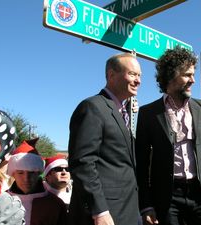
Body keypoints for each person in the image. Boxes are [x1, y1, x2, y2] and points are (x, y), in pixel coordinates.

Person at [135, 46, 201, 225]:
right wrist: (146, 205)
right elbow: (141, 163)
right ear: (170, 76)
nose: (193, 80)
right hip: (167, 199)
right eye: (187, 75)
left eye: (193, 74)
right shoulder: (148, 113)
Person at [68, 52, 141, 225]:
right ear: (111, 75)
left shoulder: (123, 113)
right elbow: (82, 162)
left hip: (128, 210)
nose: (138, 81)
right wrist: (99, 210)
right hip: (104, 213)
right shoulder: (92, 107)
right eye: (132, 74)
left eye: (139, 75)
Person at [7, 139, 67, 225]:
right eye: (20, 172)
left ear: (39, 173)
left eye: (31, 172)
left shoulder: (55, 204)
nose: (26, 178)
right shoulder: (2, 201)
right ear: (13, 174)